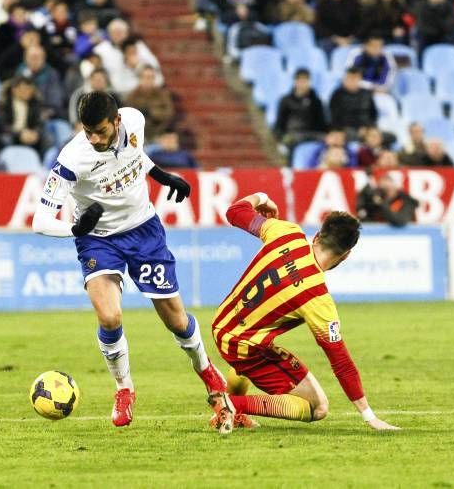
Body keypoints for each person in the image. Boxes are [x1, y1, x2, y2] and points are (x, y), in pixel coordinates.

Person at [32, 91, 232, 430]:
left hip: (144, 231)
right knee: (109, 316)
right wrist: (75, 228)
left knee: (177, 320)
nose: (94, 139)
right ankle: (124, 389)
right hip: (98, 240)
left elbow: (135, 155)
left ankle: (209, 374)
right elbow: (40, 221)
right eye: (87, 131)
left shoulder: (135, 120)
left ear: (117, 121)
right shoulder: (72, 159)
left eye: (100, 131)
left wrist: (160, 175)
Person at [207, 192, 400, 432]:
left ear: (318, 235)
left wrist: (263, 197)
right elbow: (340, 362)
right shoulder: (317, 296)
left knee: (257, 351)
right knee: (317, 407)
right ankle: (232, 404)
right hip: (244, 347)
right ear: (346, 255)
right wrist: (369, 416)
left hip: (221, 324)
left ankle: (234, 413)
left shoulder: (287, 233)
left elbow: (234, 212)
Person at [273, 68, 328, 153]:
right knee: (291, 140)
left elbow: (322, 123)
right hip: (293, 134)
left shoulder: (316, 101)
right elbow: (279, 124)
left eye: (306, 80)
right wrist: (280, 137)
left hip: (313, 134)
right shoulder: (285, 101)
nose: (303, 83)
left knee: (328, 140)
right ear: (295, 81)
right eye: (300, 80)